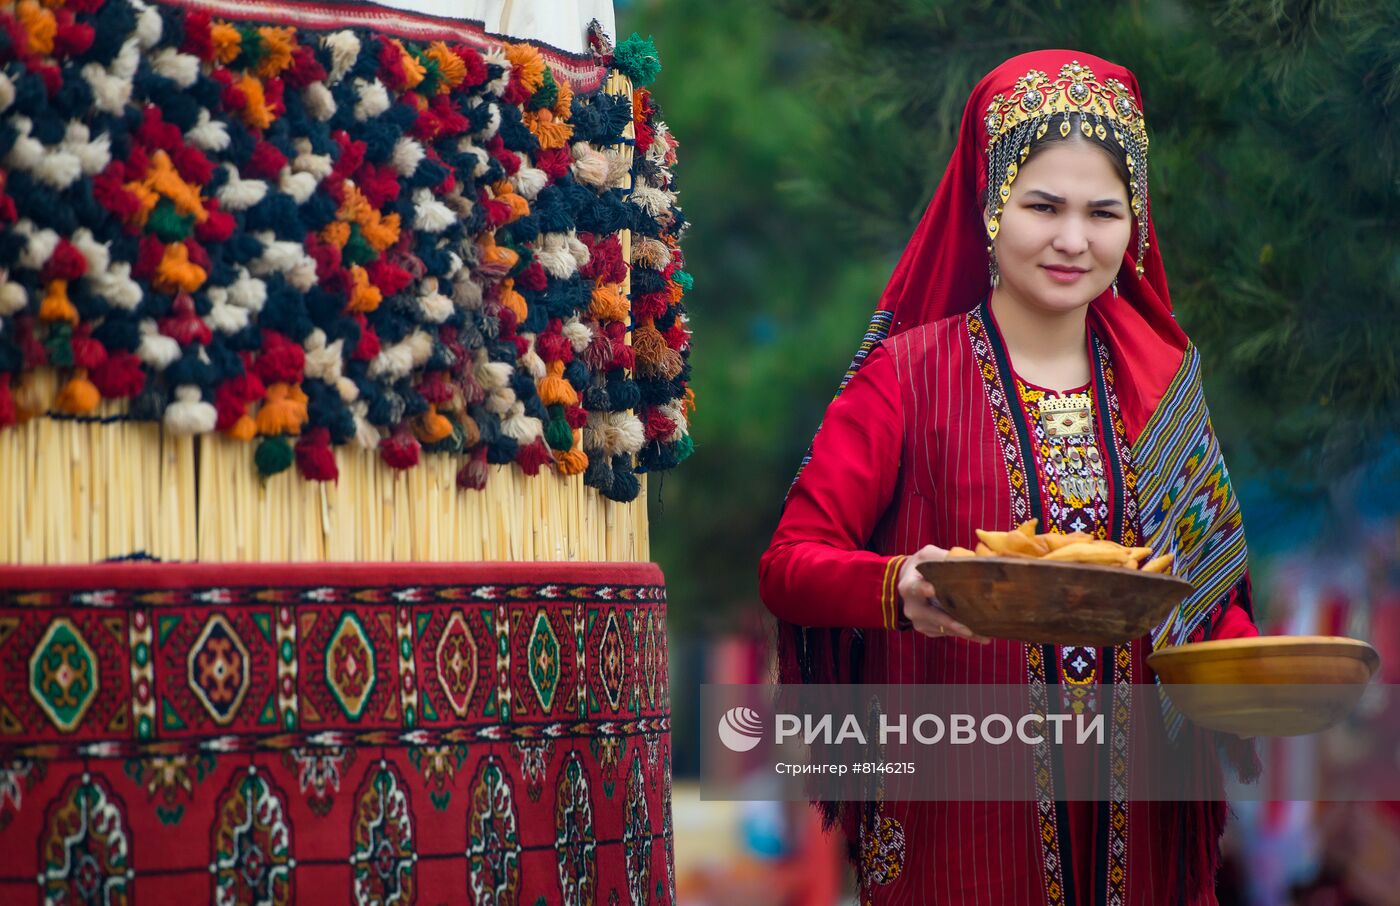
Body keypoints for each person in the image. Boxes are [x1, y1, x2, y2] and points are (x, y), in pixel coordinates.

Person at [759, 50, 1260, 905]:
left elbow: (1211, 603)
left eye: (1105, 212)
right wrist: (897, 587)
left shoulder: (1161, 385)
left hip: (1140, 844)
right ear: (990, 208)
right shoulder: (908, 377)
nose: (1074, 240)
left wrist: (1252, 672)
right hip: (958, 841)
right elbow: (790, 561)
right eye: (1043, 206)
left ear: (1136, 226)